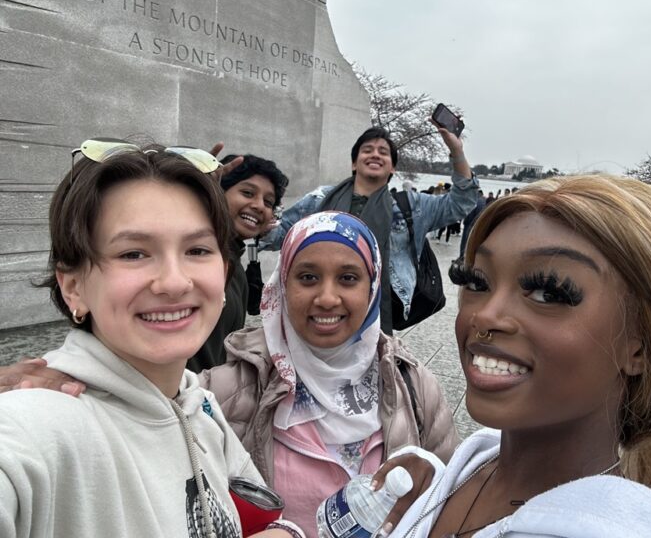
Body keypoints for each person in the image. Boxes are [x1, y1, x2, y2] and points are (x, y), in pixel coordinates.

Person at [0, 211, 459, 538]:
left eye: (348, 279)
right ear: (282, 286)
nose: (326, 298)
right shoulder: (222, 390)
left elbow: (449, 503)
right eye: (307, 277)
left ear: (373, 287)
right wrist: (63, 375)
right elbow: (137, 404)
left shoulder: (414, 387)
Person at [382, 175, 651, 538]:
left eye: (548, 292)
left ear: (642, 344)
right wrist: (432, 490)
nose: (484, 314)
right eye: (476, 281)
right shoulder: (472, 466)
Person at [0, 142, 297, 538]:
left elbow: (264, 514)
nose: (175, 282)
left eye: (197, 249)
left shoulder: (200, 407)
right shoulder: (35, 423)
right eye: (134, 254)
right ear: (72, 287)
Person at [261, 126, 479, 333]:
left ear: (392, 167)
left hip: (378, 309)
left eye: (383, 152)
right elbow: (280, 236)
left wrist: (456, 151)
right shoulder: (320, 200)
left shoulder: (411, 205)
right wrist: (261, 220)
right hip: (322, 299)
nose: (375, 154)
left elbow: (462, 202)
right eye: (367, 150)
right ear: (354, 164)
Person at [190, 153, 289, 372]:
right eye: (247, 193)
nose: (259, 206)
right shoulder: (191, 255)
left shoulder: (236, 269)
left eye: (268, 202)